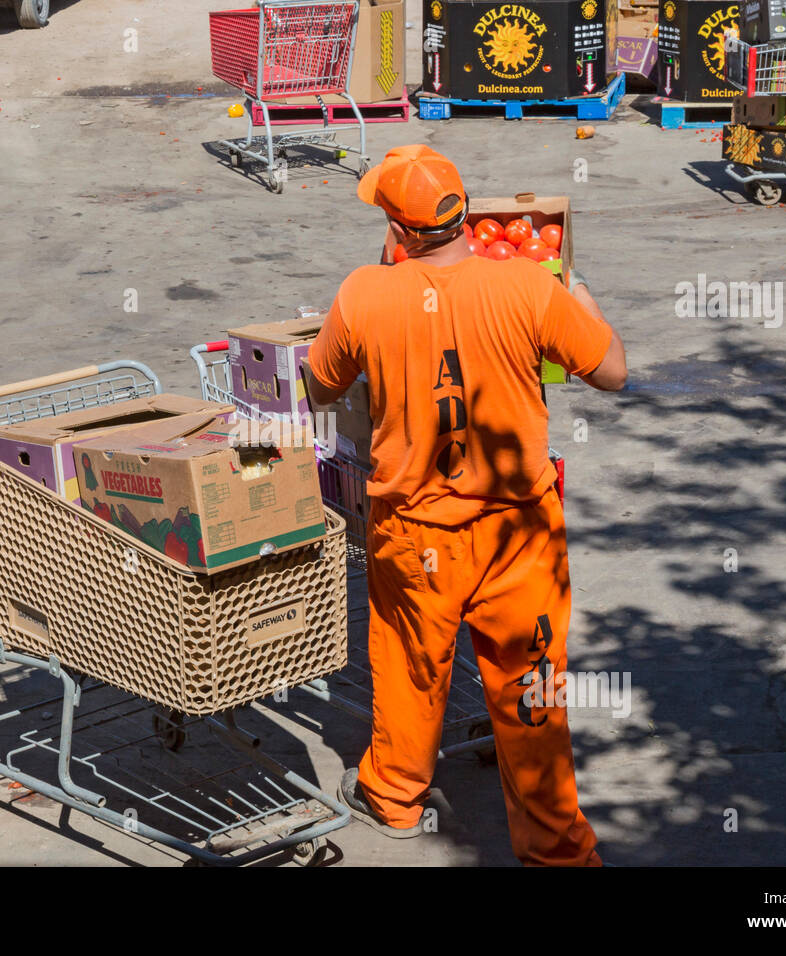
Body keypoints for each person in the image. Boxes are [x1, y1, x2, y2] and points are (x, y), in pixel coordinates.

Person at [304, 145, 626, 866]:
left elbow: (321, 387)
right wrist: (576, 293)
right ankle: (558, 851)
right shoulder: (527, 288)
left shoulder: (364, 294)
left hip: (416, 533)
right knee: (530, 689)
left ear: (398, 231)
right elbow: (612, 372)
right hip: (522, 536)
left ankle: (392, 797)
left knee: (412, 666)